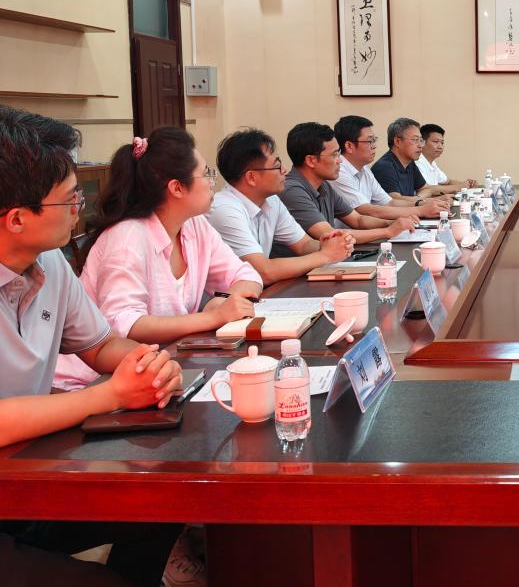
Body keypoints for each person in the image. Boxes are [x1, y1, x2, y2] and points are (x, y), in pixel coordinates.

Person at [0, 106, 182, 585]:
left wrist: (148, 363)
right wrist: (110, 395)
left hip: (26, 476)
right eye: (69, 199)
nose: (79, 207)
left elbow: (100, 346)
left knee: (164, 500)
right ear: (16, 219)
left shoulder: (49, 263)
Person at [54, 127, 263, 391]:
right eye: (206, 173)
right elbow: (125, 323)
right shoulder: (128, 236)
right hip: (93, 380)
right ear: (177, 187)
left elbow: (247, 275)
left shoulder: (195, 225)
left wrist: (225, 301)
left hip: (163, 365)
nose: (212, 182)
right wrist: (212, 317)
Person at [206, 128, 356, 285]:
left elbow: (303, 245)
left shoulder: (272, 201)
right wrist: (325, 255)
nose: (284, 170)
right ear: (251, 177)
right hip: (227, 296)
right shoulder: (224, 210)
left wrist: (330, 244)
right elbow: (263, 271)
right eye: (277, 166)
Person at [279, 122, 415, 244]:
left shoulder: (324, 185)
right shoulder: (292, 190)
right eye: (334, 155)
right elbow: (331, 235)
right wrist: (388, 231)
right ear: (311, 160)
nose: (340, 160)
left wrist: (391, 223)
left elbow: (357, 220)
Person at [333, 116, 449, 219]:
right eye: (370, 141)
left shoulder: (365, 170)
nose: (374, 146)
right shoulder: (339, 172)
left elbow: (389, 202)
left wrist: (424, 203)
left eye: (374, 140)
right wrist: (421, 210)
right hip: (350, 234)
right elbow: (368, 211)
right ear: (349, 146)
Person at [371, 118, 454, 201]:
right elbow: (396, 201)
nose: (420, 145)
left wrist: (418, 199)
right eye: (415, 140)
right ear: (398, 142)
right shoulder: (384, 167)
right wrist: (430, 200)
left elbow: (426, 189)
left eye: (421, 140)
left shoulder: (409, 163)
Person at [416, 123, 477, 191]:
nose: (440, 147)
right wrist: (459, 187)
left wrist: (467, 184)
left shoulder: (432, 162)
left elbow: (448, 181)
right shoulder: (417, 162)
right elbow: (426, 189)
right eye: (436, 142)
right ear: (422, 142)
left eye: (442, 143)